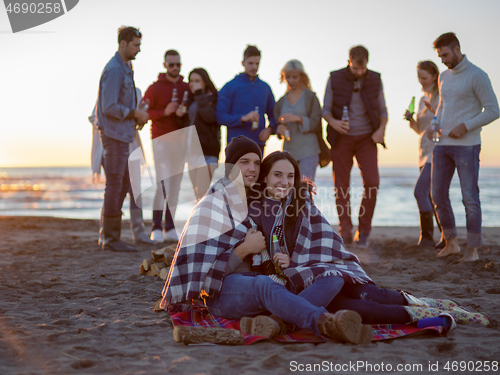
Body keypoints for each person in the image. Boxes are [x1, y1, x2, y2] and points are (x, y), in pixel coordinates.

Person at [161, 137, 374, 345]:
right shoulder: (213, 205)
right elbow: (205, 276)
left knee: (332, 276)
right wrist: (244, 249)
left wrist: (290, 261)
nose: (252, 168)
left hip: (269, 287)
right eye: (244, 162)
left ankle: (277, 323)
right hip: (226, 293)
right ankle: (326, 323)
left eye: (256, 162)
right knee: (264, 284)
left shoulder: (257, 200)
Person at [244, 151, 490, 329]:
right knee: (361, 309)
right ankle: (426, 318)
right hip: (300, 286)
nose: (284, 182)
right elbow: (258, 256)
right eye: (277, 175)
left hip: (326, 271)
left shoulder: (301, 202)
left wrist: (295, 259)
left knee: (373, 294)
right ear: (264, 177)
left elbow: (322, 242)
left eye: (289, 176)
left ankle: (438, 305)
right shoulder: (255, 211)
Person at [428, 32, 499, 261]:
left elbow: (493, 110)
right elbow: (442, 106)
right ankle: (451, 243)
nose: (443, 60)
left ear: (457, 49)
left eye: (446, 54)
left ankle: (472, 250)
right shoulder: (443, 76)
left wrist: (466, 126)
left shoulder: (478, 75)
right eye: (440, 56)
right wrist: (434, 123)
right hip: (442, 145)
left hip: (467, 146)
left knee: (469, 197)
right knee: (437, 194)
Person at [323, 46, 388, 248]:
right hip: (341, 138)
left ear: (367, 63)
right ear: (349, 61)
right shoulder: (334, 78)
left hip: (367, 139)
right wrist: (334, 123)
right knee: (341, 186)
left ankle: (364, 230)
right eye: (356, 68)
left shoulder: (375, 78)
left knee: (372, 182)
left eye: (363, 68)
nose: (360, 72)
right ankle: (345, 231)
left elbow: (384, 110)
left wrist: (381, 130)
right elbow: (325, 110)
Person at [96, 26, 149, 252]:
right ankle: (110, 239)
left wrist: (135, 118)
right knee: (115, 184)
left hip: (123, 134)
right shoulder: (115, 69)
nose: (138, 50)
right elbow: (108, 107)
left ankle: (109, 237)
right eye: (135, 45)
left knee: (124, 184)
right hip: (113, 136)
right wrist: (134, 113)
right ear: (123, 43)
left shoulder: (126, 68)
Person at [90, 87, 155, 246]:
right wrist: (124, 120)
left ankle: (138, 233)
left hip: (131, 146)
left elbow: (137, 123)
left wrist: (140, 119)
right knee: (114, 188)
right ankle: (105, 232)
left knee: (135, 190)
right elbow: (95, 118)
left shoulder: (136, 92)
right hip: (110, 147)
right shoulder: (109, 90)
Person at [144, 50, 190, 243]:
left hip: (180, 143)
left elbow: (193, 114)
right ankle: (156, 227)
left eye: (178, 64)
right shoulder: (154, 88)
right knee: (162, 185)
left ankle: (170, 228)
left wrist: (182, 113)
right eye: (171, 64)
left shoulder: (186, 87)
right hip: (160, 141)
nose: (175, 68)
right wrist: (164, 111)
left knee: (175, 186)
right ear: (164, 65)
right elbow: (144, 113)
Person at [403, 61, 445, 248]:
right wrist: (411, 120)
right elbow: (420, 128)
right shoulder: (421, 99)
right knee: (431, 195)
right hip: (423, 151)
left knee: (420, 191)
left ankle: (427, 237)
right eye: (419, 77)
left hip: (437, 150)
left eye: (424, 78)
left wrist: (437, 112)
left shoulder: (442, 96)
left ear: (435, 76)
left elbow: (446, 121)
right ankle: (444, 236)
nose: (421, 81)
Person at [216, 45, 276, 154]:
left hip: (258, 144)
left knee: (256, 172)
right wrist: (243, 118)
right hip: (235, 144)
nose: (254, 67)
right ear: (243, 63)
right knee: (235, 172)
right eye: (250, 63)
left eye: (257, 63)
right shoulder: (230, 86)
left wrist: (270, 129)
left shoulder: (265, 88)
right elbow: (220, 116)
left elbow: (274, 114)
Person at [274, 60, 323, 181]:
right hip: (288, 152)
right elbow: (277, 124)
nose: (291, 81)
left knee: (304, 191)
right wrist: (279, 129)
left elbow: (316, 123)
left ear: (301, 77)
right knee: (288, 191)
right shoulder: (280, 102)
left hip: (309, 151)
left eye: (294, 77)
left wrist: (298, 118)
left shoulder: (310, 97)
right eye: (288, 77)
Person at [186, 68, 220, 201]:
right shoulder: (192, 99)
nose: (193, 84)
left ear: (205, 82)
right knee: (197, 194)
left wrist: (199, 93)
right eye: (191, 81)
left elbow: (210, 117)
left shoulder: (213, 98)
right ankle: (199, 221)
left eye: (197, 81)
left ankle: (204, 220)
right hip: (192, 151)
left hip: (207, 151)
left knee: (202, 192)